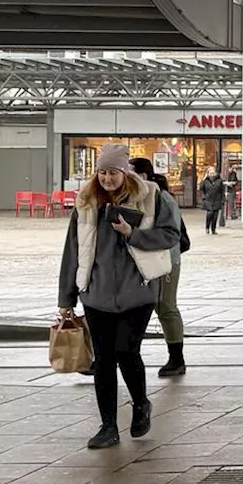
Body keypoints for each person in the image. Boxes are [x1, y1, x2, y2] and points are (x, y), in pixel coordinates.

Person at [58, 144, 181, 449]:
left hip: (137, 292)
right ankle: (108, 425)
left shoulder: (152, 197)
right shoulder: (86, 202)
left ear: (124, 173)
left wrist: (132, 233)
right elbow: (72, 251)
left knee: (126, 351)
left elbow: (171, 235)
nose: (107, 178)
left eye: (113, 172)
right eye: (102, 172)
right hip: (96, 293)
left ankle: (141, 405)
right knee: (103, 360)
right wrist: (66, 299)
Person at [128, 157, 190, 378]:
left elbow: (171, 236)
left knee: (165, 306)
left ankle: (177, 358)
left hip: (166, 261)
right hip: (142, 261)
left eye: (129, 173)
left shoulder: (162, 198)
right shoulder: (136, 197)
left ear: (142, 176)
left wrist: (136, 236)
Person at [199, 167, 225, 235]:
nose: (212, 174)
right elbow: (201, 189)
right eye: (210, 173)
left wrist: (223, 199)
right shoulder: (205, 181)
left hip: (217, 199)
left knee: (215, 215)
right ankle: (207, 227)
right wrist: (203, 197)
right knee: (210, 213)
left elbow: (222, 191)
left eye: (213, 173)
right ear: (208, 174)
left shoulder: (219, 181)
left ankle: (213, 229)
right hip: (208, 199)